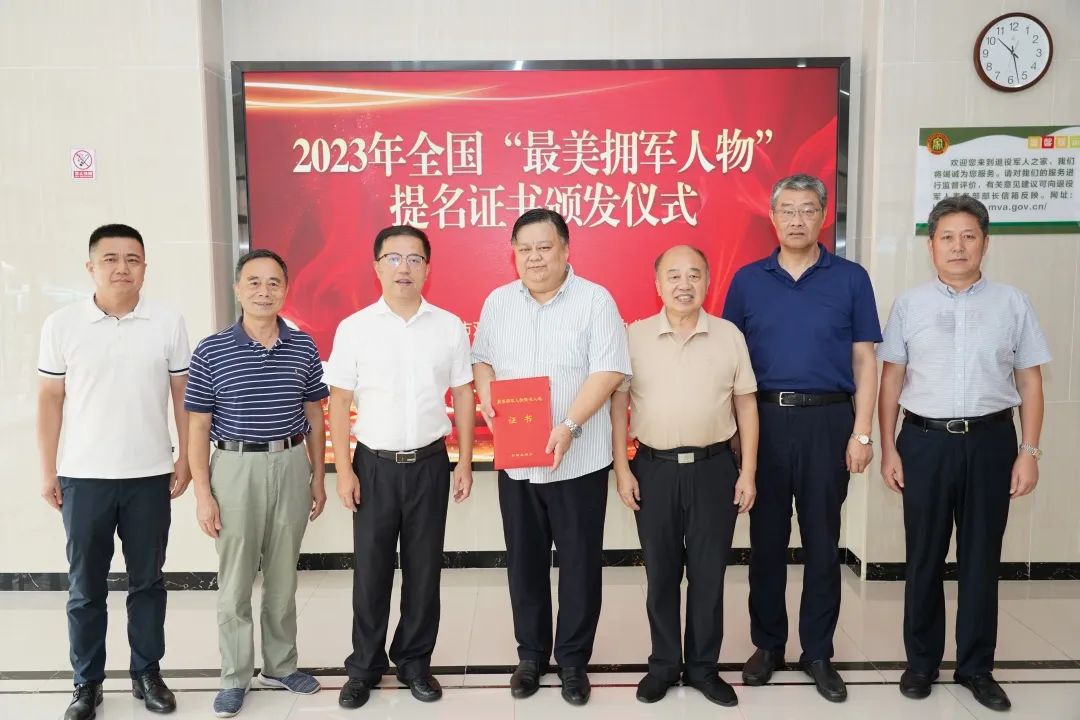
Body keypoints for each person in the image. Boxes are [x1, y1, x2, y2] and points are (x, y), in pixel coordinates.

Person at [877, 195, 1050, 712]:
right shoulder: (909, 305)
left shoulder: (1013, 303)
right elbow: (891, 381)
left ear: (985, 243)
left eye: (968, 236)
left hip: (992, 442)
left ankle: (976, 668)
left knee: (981, 558)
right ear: (931, 245)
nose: (958, 246)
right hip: (923, 443)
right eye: (947, 237)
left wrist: (1029, 451)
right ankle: (921, 663)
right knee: (923, 556)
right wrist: (888, 447)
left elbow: (1030, 381)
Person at [722, 174, 881, 703]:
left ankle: (818, 652)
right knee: (766, 542)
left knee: (821, 540)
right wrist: (735, 433)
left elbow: (865, 360)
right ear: (772, 217)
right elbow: (729, 362)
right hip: (764, 422)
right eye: (787, 210)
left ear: (823, 216)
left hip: (828, 422)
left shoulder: (851, 278)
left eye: (808, 210)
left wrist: (862, 432)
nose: (797, 220)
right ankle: (768, 645)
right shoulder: (748, 280)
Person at [472, 208, 631, 706]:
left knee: (580, 564)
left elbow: (608, 370)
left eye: (544, 247)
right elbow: (483, 361)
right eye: (525, 249)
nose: (535, 257)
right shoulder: (499, 302)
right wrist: (488, 400)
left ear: (565, 250)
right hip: (519, 459)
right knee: (524, 562)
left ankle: (574, 661)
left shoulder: (595, 300)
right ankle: (531, 656)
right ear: (513, 254)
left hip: (577, 459)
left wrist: (570, 425)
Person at [37, 223, 190, 720]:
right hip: (83, 477)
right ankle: (87, 682)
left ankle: (147, 673)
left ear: (145, 266)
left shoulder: (167, 322)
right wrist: (48, 470)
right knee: (86, 588)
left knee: (148, 582)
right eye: (110, 259)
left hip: (150, 475)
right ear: (91, 267)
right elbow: (50, 400)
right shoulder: (62, 324)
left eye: (132, 259)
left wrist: (186, 457)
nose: (122, 267)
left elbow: (183, 396)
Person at [326, 225, 475, 710]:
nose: (404, 268)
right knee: (371, 572)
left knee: (423, 571)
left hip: (431, 463)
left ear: (428, 268)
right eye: (393, 258)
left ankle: (414, 662)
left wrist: (465, 461)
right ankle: (364, 667)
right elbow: (339, 400)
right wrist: (344, 470)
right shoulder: (355, 328)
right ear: (377, 267)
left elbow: (463, 394)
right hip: (373, 465)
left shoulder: (448, 326)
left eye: (414, 258)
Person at [611, 245, 759, 707]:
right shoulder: (634, 336)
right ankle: (662, 665)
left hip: (715, 470)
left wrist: (748, 472)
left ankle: (702, 668)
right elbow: (618, 405)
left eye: (694, 275)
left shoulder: (729, 335)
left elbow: (746, 405)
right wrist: (622, 468)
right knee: (660, 574)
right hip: (653, 469)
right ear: (657, 284)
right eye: (673, 275)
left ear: (707, 282)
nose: (684, 284)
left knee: (708, 574)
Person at [185, 249, 329, 718]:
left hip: (290, 463)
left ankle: (281, 665)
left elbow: (314, 414)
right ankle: (234, 676)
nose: (264, 291)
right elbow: (198, 427)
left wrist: (317, 476)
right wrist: (203, 494)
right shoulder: (211, 350)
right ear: (237, 289)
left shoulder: (303, 346)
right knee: (235, 581)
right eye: (254, 282)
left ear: (285, 290)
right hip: (234, 468)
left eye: (273, 283)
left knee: (284, 577)